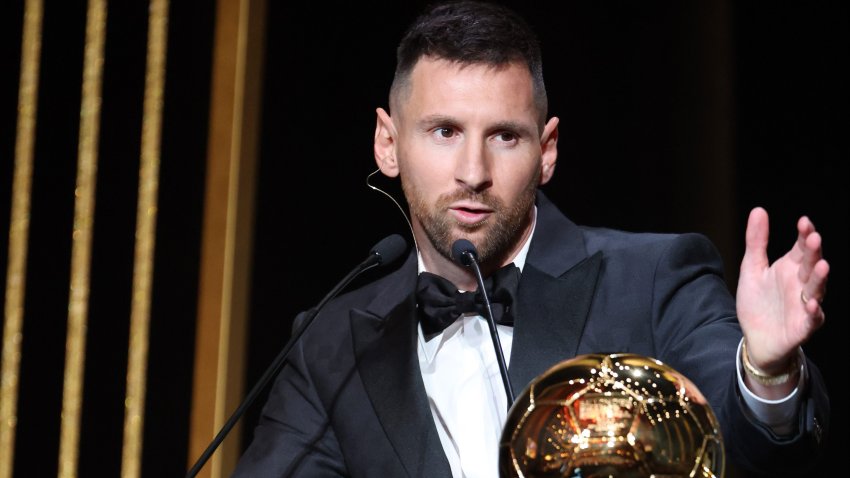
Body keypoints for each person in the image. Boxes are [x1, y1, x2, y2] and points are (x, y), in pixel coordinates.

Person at [233, 1, 830, 476]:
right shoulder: (328, 346)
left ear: (546, 151)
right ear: (387, 144)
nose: (473, 170)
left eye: (505, 137)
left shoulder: (651, 278)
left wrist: (767, 372)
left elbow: (747, 443)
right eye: (444, 131)